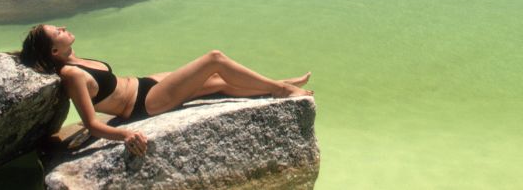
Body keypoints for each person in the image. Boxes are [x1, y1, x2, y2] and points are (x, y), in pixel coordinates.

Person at [19, 24, 312, 156]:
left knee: (219, 84)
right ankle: (283, 89)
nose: (63, 27)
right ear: (55, 50)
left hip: (144, 85)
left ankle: (277, 84)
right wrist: (126, 134)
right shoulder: (71, 75)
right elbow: (92, 124)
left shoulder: (76, 58)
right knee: (214, 59)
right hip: (143, 104)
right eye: (57, 31)